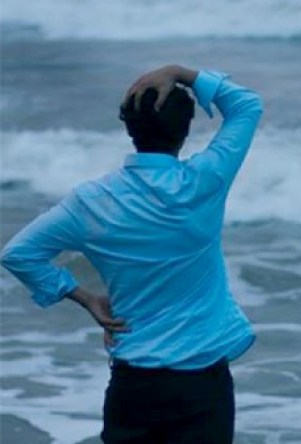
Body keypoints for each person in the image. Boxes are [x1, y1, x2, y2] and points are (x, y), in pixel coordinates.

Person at [1, 64, 264, 443]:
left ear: (130, 129)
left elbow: (19, 253)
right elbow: (246, 106)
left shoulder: (91, 201)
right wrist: (179, 72)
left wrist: (85, 297)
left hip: (134, 383)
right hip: (203, 381)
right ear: (186, 129)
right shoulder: (204, 181)